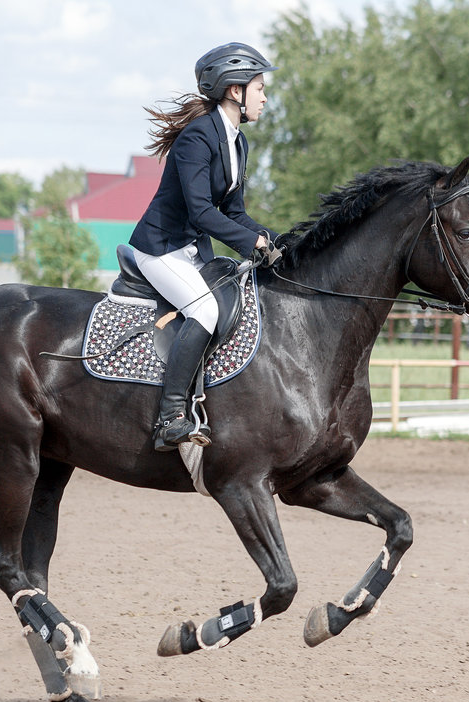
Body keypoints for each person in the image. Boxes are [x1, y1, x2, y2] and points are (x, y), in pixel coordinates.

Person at [128, 42, 278, 452]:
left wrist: (274, 240)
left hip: (192, 251)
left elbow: (234, 211)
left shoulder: (237, 142)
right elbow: (199, 212)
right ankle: (171, 416)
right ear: (235, 91)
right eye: (259, 87)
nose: (265, 97)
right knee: (205, 309)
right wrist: (249, 243)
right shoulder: (198, 137)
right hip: (160, 248)